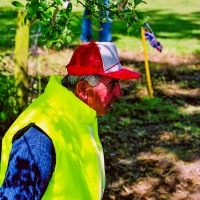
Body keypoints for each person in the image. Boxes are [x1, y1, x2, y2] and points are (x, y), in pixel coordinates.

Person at [0, 42, 141, 199]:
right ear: (82, 89)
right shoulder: (40, 135)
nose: (119, 93)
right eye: (112, 84)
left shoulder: (80, 117)